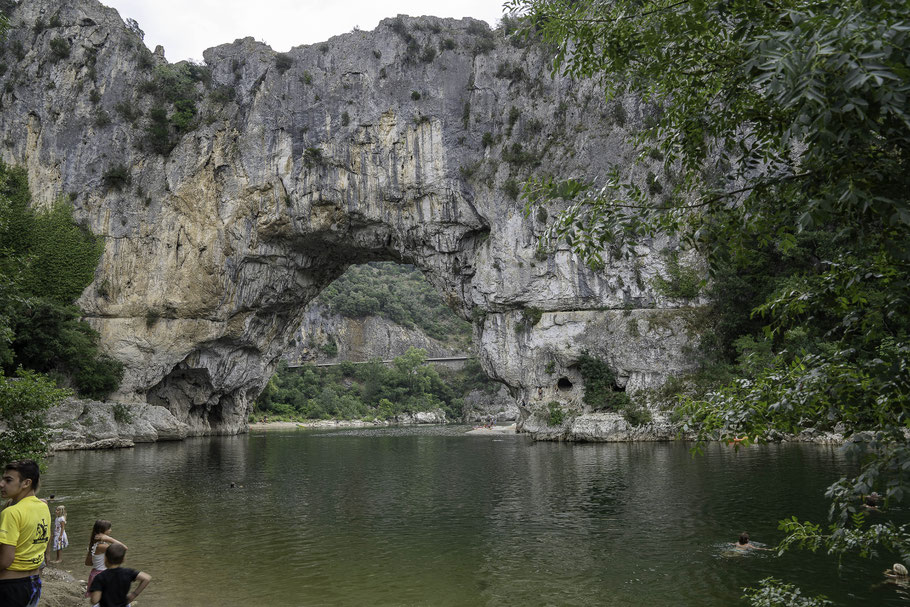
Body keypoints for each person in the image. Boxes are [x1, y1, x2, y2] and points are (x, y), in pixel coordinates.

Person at [0, 459, 52, 607]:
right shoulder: (43, 507)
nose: (1, 484)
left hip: (10, 587)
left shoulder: (12, 512)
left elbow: (5, 560)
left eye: (8, 480)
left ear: (26, 483)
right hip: (34, 583)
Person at [88, 542, 151, 607]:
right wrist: (134, 594)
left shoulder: (100, 577)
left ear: (105, 558)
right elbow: (147, 578)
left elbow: (94, 600)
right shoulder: (128, 572)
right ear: (123, 559)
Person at [84, 520, 126, 598]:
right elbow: (123, 548)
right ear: (102, 531)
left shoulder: (93, 544)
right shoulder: (102, 546)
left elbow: (88, 563)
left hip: (94, 573)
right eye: (109, 528)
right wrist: (109, 539)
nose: (110, 530)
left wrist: (98, 561)